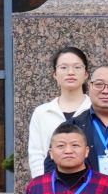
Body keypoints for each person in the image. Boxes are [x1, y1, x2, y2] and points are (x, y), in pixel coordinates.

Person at [27, 46, 91, 177]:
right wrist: (43, 184)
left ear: (86, 74)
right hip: (51, 184)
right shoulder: (42, 112)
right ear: (55, 74)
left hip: (90, 182)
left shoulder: (95, 109)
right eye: (64, 67)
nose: (71, 72)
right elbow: (36, 155)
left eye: (77, 67)